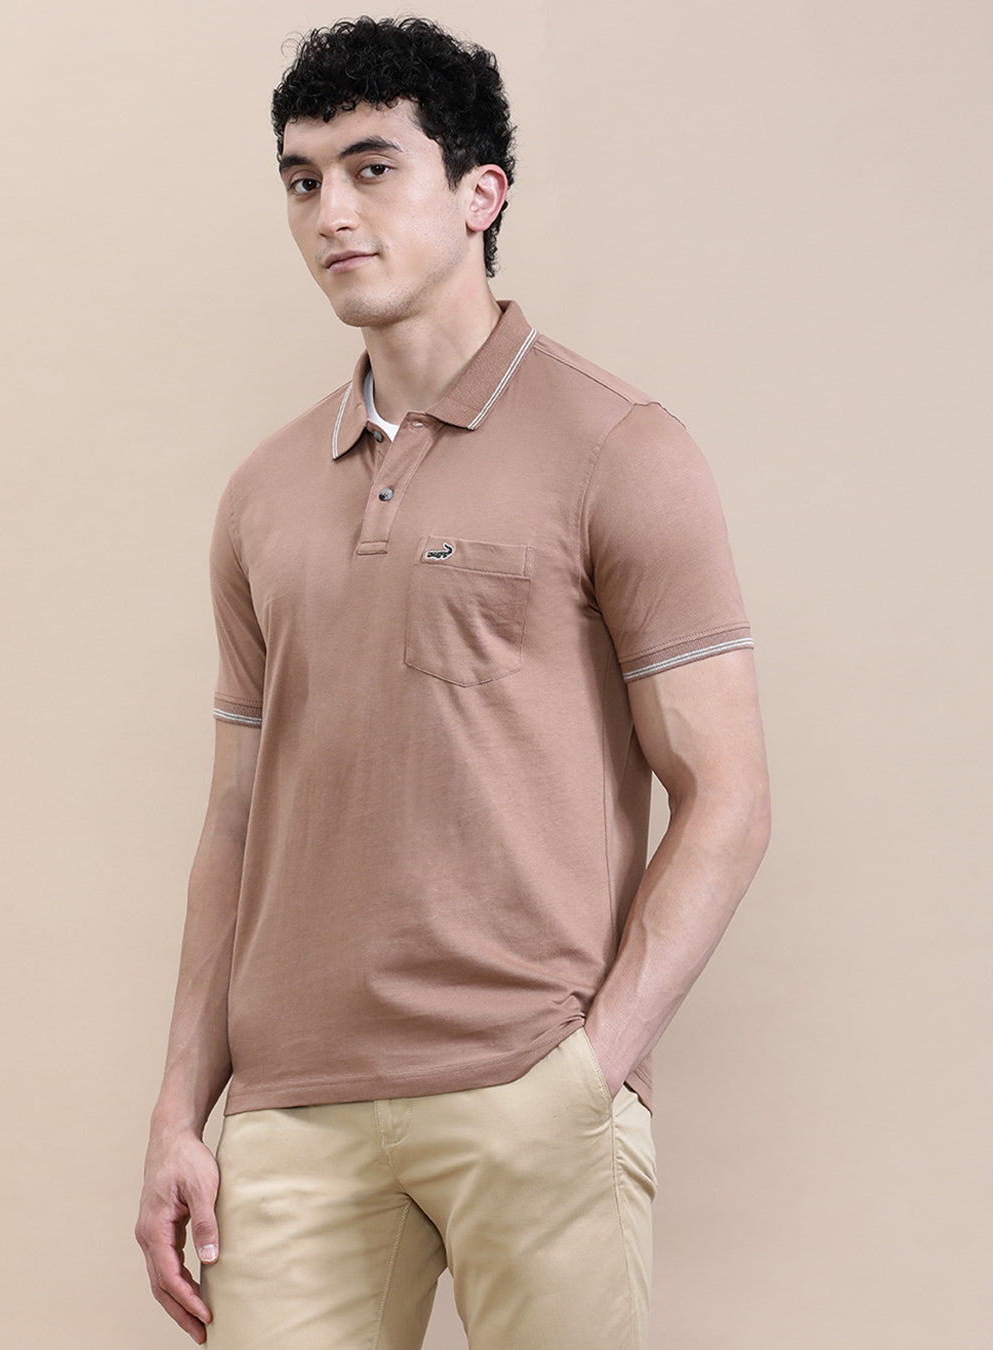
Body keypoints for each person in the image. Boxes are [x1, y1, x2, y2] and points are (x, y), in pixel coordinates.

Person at [135, 15, 771, 1349]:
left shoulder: (619, 446)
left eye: (373, 168)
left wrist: (591, 1069)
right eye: (303, 179)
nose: (330, 212)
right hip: (293, 1112)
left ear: (482, 192)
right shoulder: (260, 493)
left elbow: (728, 795)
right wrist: (180, 1111)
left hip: (526, 1086)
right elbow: (235, 820)